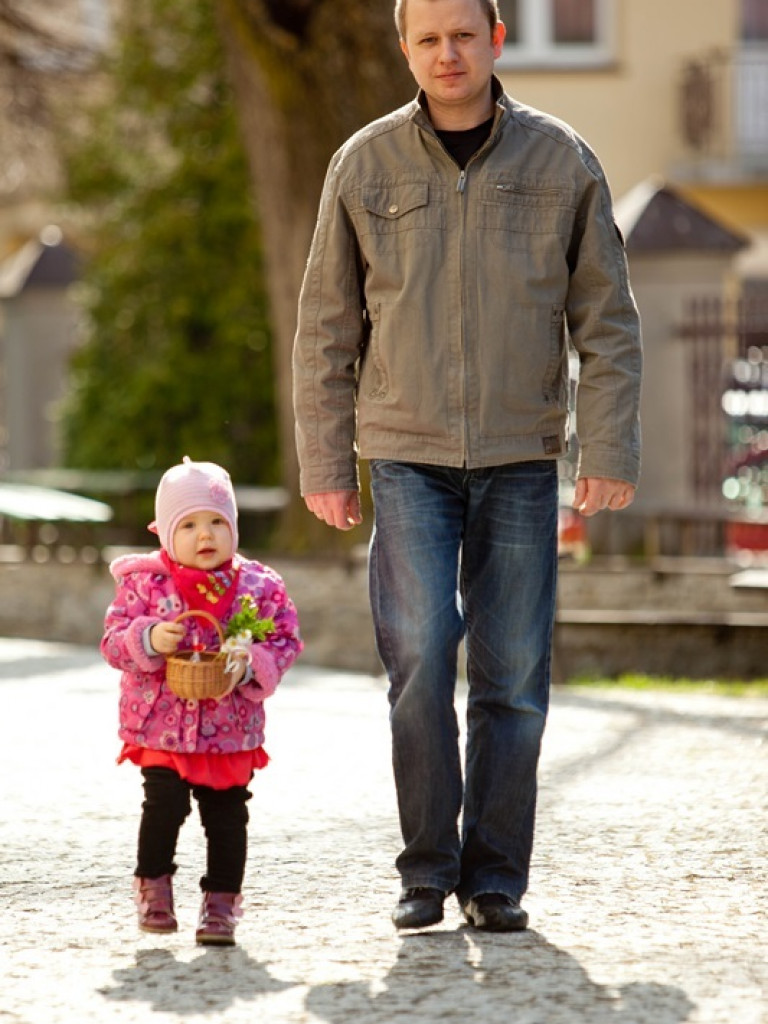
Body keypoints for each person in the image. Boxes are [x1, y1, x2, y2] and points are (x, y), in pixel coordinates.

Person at [292, 0, 641, 932]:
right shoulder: (362, 164)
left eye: (463, 35)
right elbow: (327, 325)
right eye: (427, 38)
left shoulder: (560, 159)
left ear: (495, 39)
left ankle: (494, 880)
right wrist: (328, 459)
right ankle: (423, 870)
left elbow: (607, 320)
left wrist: (605, 447)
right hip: (404, 455)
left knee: (515, 676)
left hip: (520, 455)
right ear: (404, 49)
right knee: (417, 663)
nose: (447, 54)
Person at [101, 457, 302, 945]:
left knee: (227, 813)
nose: (204, 535)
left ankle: (221, 903)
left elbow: (284, 639)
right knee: (164, 803)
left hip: (229, 724)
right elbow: (113, 641)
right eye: (188, 525)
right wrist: (148, 637)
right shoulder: (144, 584)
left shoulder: (258, 585)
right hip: (161, 725)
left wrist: (251, 660)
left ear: (233, 527)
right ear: (166, 534)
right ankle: (153, 886)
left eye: (216, 522)